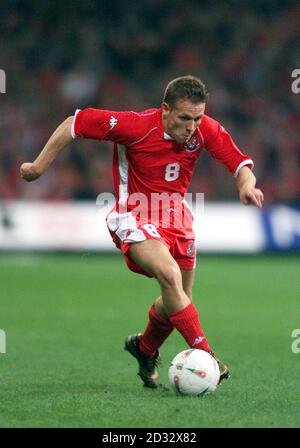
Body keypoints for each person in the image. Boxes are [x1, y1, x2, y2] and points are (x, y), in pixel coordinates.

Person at [20, 75, 264, 389]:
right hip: (134, 214)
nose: (192, 126)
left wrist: (247, 185)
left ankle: (145, 348)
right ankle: (207, 355)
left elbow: (237, 161)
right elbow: (75, 122)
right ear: (165, 110)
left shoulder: (204, 129)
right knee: (170, 274)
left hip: (177, 218)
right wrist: (38, 167)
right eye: (185, 118)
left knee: (178, 299)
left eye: (198, 118)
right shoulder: (135, 126)